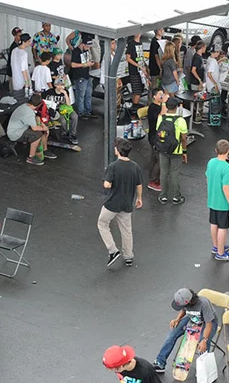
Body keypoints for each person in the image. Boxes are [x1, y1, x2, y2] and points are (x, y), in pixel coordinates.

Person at [151, 288, 219, 372]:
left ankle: (203, 369)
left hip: (209, 322)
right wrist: (177, 319)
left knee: (202, 342)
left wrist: (204, 340)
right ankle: (160, 362)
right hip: (192, 318)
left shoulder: (203, 303)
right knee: (172, 334)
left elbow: (209, 325)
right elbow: (184, 309)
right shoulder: (186, 302)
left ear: (190, 301)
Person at [99, 137, 143, 268]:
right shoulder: (135, 167)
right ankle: (128, 256)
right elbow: (139, 184)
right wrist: (139, 198)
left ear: (117, 151)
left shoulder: (113, 166)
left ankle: (113, 250)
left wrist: (107, 182)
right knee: (126, 230)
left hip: (112, 203)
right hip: (127, 203)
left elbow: (107, 185)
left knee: (102, 223)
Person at [205, 139, 229, 260]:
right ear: (228, 151)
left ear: (216, 150)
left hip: (212, 199)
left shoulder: (211, 162)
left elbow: (207, 178)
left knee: (214, 223)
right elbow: (226, 188)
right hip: (223, 203)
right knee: (222, 227)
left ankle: (215, 246)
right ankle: (221, 252)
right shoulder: (227, 168)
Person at [7, 93, 56, 166]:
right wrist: (45, 128)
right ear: (39, 105)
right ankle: (31, 157)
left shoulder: (26, 105)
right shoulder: (28, 112)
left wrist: (43, 126)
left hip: (21, 128)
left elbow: (36, 116)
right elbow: (34, 128)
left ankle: (45, 150)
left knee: (42, 131)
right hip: (15, 133)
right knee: (37, 135)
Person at [157, 97, 188, 205]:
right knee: (175, 173)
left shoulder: (161, 118)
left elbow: (159, 133)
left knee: (164, 172)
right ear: (176, 107)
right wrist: (184, 152)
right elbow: (183, 138)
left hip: (163, 149)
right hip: (176, 151)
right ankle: (176, 197)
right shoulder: (181, 120)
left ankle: (163, 196)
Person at [43, 80, 80, 146]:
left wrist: (65, 93)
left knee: (75, 116)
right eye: (58, 85)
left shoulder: (65, 91)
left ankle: (73, 134)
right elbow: (42, 97)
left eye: (62, 85)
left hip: (65, 109)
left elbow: (68, 104)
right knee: (63, 120)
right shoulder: (50, 92)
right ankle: (64, 133)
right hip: (56, 110)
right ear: (55, 85)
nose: (60, 87)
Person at [146, 87, 166, 191]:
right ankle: (153, 181)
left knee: (154, 157)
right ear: (154, 97)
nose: (162, 96)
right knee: (160, 159)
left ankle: (152, 175)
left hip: (155, 136)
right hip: (155, 137)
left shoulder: (158, 106)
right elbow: (160, 116)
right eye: (159, 94)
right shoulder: (153, 108)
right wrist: (163, 104)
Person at [70, 37, 96, 118]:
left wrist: (90, 63)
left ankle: (88, 110)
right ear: (82, 44)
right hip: (79, 76)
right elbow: (72, 64)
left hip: (87, 75)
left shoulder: (86, 50)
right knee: (81, 95)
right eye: (87, 46)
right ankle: (81, 112)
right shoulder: (76, 51)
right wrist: (85, 65)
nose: (88, 48)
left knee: (88, 94)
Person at [126, 34, 148, 106]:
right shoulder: (131, 44)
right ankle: (134, 109)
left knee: (139, 91)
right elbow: (128, 58)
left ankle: (134, 105)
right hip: (134, 71)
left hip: (141, 71)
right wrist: (138, 65)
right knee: (137, 92)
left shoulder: (140, 43)